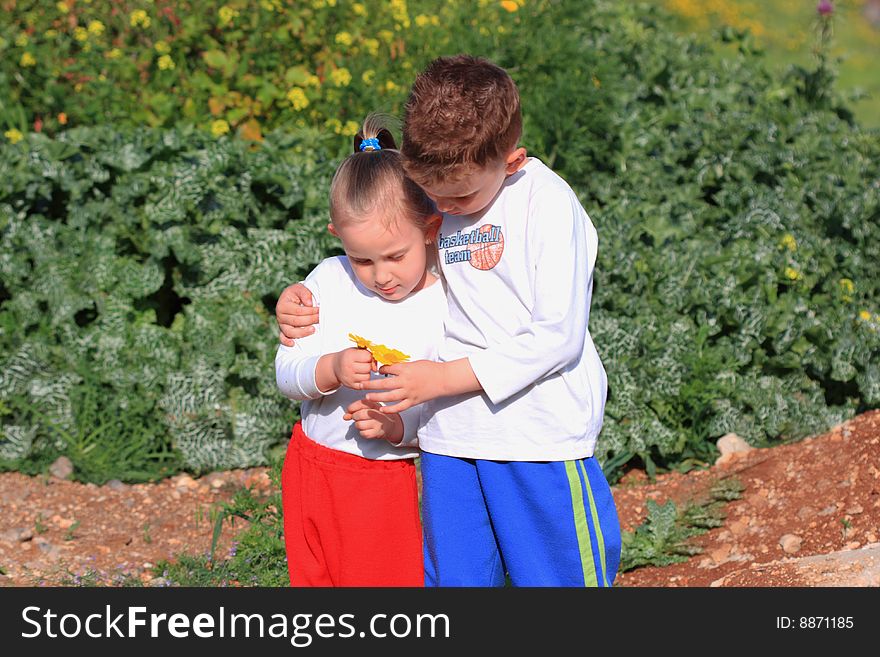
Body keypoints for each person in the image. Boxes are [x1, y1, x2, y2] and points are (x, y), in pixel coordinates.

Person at [276, 55, 621, 587]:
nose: (443, 209)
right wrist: (300, 300)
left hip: (537, 434)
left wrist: (439, 378)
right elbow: (379, 264)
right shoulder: (441, 189)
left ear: (511, 161)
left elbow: (558, 336)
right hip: (449, 437)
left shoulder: (545, 204)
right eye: (431, 195)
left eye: (457, 198)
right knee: (456, 581)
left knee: (556, 576)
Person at [275, 114, 444, 587]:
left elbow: (444, 408)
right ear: (338, 238)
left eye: (396, 256)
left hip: (387, 478)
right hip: (311, 463)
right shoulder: (328, 281)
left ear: (430, 228)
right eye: (362, 259)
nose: (381, 275)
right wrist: (328, 368)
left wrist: (397, 426)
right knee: (314, 578)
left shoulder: (443, 305)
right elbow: (287, 373)